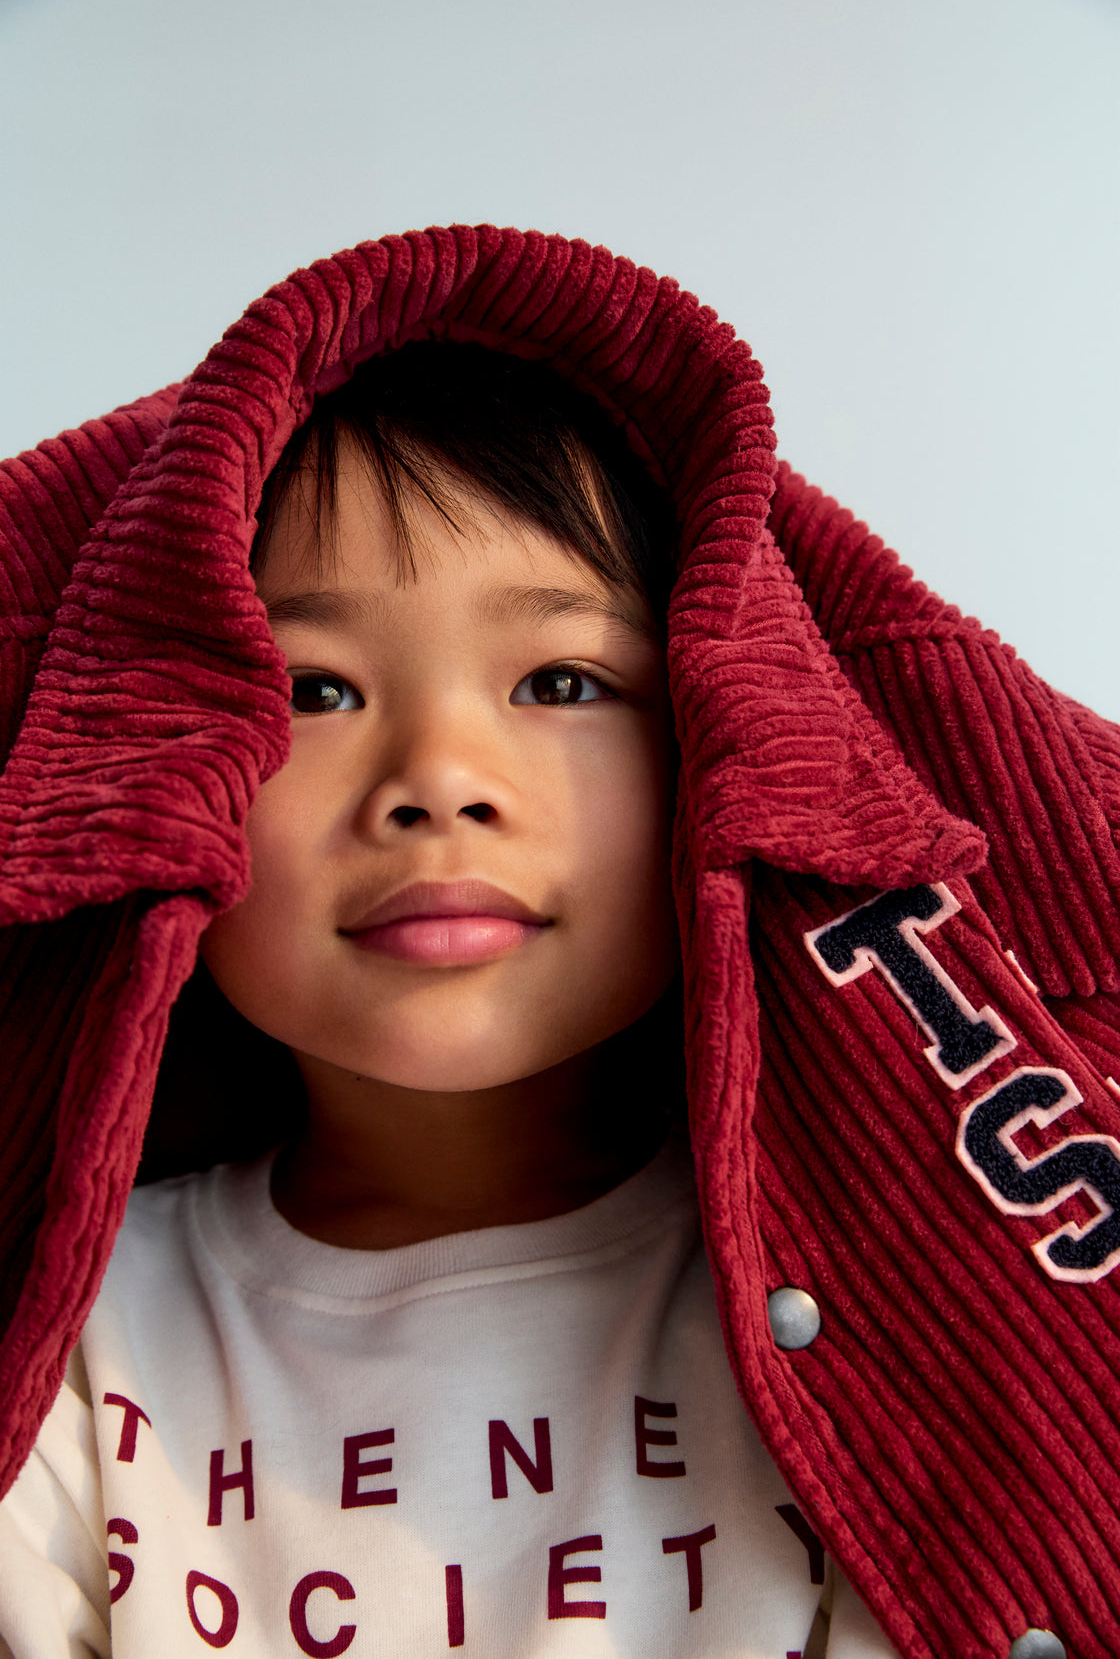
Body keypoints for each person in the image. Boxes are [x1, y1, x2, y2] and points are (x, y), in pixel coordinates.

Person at [0, 226, 1116, 1659]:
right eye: (317, 691)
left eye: (563, 677)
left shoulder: (904, 1315)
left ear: (734, 747)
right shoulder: (73, 1347)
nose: (440, 778)